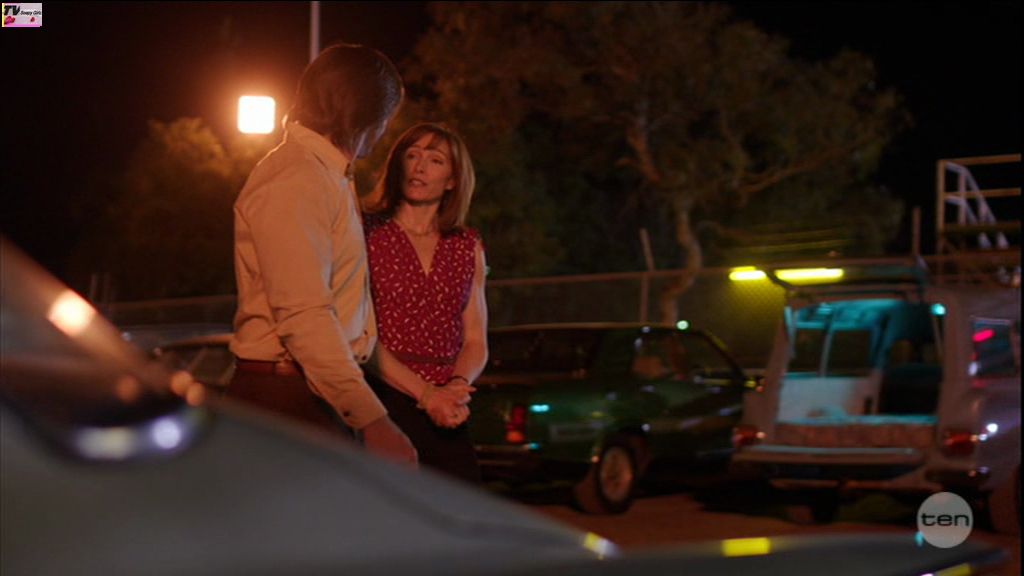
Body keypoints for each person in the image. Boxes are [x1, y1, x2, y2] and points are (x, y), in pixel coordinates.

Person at [227, 43, 417, 468]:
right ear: (365, 115)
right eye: (386, 116)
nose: (385, 129)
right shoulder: (297, 179)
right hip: (284, 401)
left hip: (311, 394)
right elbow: (305, 315)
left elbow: (345, 320)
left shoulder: (327, 175)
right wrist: (374, 421)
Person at [361, 122, 488, 483]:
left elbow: (476, 338)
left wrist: (457, 386)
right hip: (383, 395)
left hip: (446, 404)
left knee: (461, 505)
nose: (419, 167)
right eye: (412, 155)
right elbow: (358, 335)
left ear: (452, 180)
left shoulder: (466, 245)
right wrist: (426, 394)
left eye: (435, 160)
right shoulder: (366, 233)